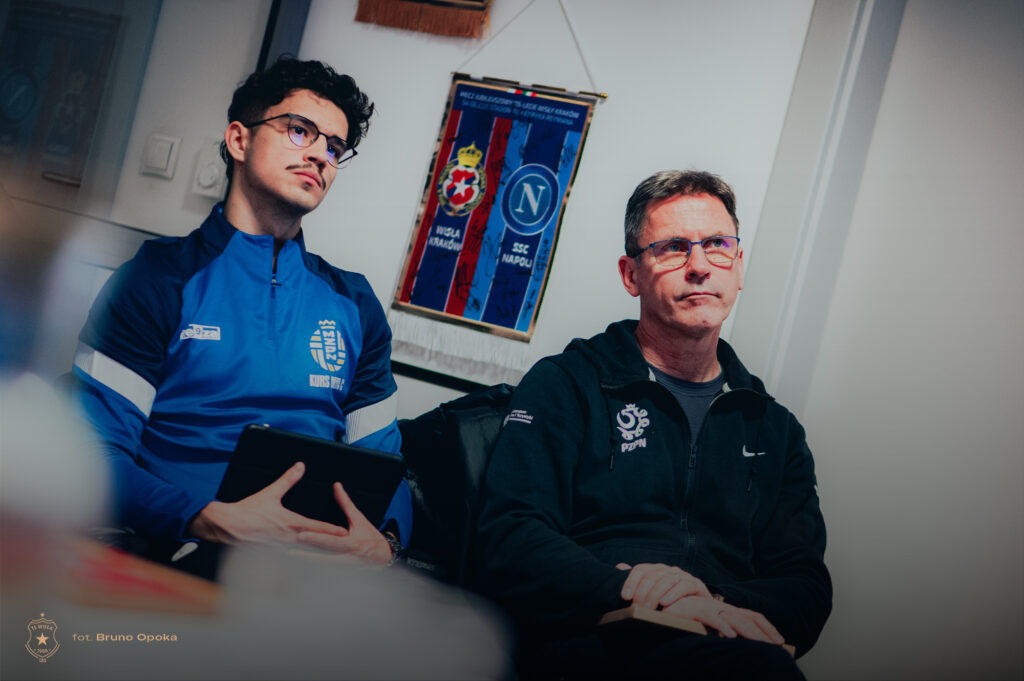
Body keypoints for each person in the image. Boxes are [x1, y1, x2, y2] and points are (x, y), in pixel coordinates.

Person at [477, 170, 831, 679]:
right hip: (591, 638)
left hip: (723, 646)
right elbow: (512, 535)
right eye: (672, 248)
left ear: (738, 267)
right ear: (631, 275)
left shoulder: (774, 428)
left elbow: (806, 585)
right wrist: (633, 589)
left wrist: (709, 601)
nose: (699, 267)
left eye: (717, 246)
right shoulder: (566, 384)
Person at [72, 57, 409, 568]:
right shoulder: (156, 280)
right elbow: (91, 453)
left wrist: (387, 542)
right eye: (300, 131)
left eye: (334, 147)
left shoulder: (354, 303)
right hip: (184, 554)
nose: (319, 155)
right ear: (239, 140)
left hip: (312, 570)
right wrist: (203, 518)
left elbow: (387, 466)